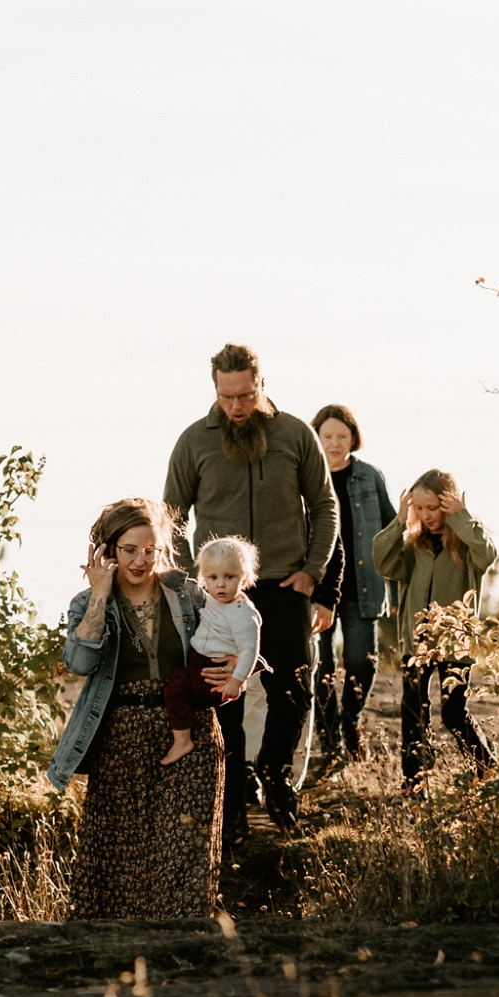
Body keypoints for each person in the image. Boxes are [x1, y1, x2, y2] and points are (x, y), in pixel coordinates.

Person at [164, 343, 339, 838]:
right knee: (226, 696)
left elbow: (325, 506)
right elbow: (171, 519)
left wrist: (312, 572)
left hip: (285, 584)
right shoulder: (194, 442)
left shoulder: (295, 434)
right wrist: (189, 585)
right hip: (218, 593)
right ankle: (234, 802)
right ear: (216, 389)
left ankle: (277, 775)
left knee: (294, 688)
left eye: (244, 395)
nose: (236, 407)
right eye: (226, 397)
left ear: (260, 384)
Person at [48, 498, 233, 918]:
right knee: (118, 855)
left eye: (150, 549)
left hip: (190, 733)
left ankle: (182, 952)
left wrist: (236, 666)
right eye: (130, 549)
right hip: (121, 739)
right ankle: (121, 959)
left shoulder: (187, 594)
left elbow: (236, 628)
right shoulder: (87, 602)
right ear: (108, 551)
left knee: (183, 849)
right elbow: (78, 663)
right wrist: (99, 596)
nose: (140, 559)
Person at [373, 470, 499, 793]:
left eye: (434, 507)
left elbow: (489, 553)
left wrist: (462, 517)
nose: (427, 515)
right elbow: (382, 562)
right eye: (420, 508)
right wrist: (399, 521)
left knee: (454, 713)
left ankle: (486, 766)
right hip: (415, 643)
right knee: (413, 712)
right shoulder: (413, 546)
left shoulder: (467, 545)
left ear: (448, 504)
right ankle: (414, 782)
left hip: (455, 642)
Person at [307, 404, 397, 775]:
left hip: (362, 583)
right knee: (320, 666)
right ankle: (331, 744)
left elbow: (391, 525)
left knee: (361, 660)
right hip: (316, 585)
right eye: (327, 436)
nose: (334, 443)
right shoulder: (304, 477)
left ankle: (350, 721)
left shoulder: (369, 477)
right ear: (316, 438)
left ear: (353, 438)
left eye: (341, 436)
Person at [160, 536, 264, 768]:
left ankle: (182, 741)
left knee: (176, 689)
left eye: (230, 577)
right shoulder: (210, 599)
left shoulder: (243, 614)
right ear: (203, 579)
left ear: (244, 578)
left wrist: (236, 681)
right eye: (213, 577)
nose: (221, 584)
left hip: (216, 669)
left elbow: (250, 649)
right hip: (199, 660)